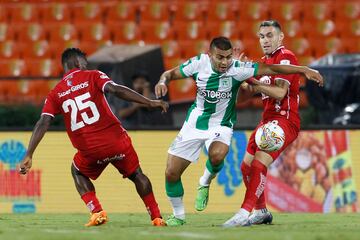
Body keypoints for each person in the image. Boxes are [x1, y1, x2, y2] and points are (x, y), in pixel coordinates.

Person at [154, 36, 323, 226]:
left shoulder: (237, 68)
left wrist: (304, 70)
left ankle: (205, 181)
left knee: (217, 156)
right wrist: (162, 82)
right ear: (210, 55)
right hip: (194, 124)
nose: (225, 62)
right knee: (171, 173)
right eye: (220, 57)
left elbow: (274, 69)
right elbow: (169, 74)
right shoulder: (197, 63)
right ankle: (178, 215)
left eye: (227, 57)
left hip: (222, 124)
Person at [18, 48, 168, 227]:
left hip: (90, 150)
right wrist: (149, 101)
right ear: (76, 62)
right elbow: (115, 89)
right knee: (137, 174)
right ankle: (157, 217)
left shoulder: (55, 93)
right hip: (116, 141)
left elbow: (43, 122)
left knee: (77, 171)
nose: (86, 65)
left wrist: (29, 153)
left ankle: (97, 212)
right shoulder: (93, 75)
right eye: (84, 62)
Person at [222, 20, 324, 227]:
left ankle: (244, 212)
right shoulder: (263, 63)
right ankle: (260, 211)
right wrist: (239, 77)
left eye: (269, 35)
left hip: (285, 121)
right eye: (261, 36)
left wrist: (253, 80)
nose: (265, 40)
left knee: (259, 164)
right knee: (245, 167)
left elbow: (279, 92)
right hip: (267, 122)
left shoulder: (285, 57)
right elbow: (244, 98)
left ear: (280, 37)